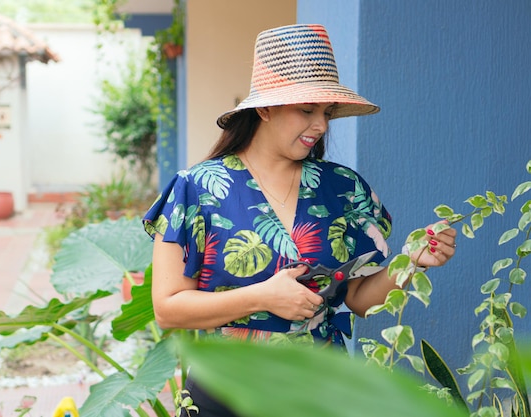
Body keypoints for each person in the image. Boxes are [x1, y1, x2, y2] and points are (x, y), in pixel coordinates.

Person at [143, 23, 457, 417]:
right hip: (224, 390)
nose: (322, 125)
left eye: (326, 112)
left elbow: (360, 300)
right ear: (265, 108)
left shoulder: (344, 189)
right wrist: (262, 296)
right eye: (306, 110)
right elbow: (167, 308)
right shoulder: (196, 188)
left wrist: (410, 260)